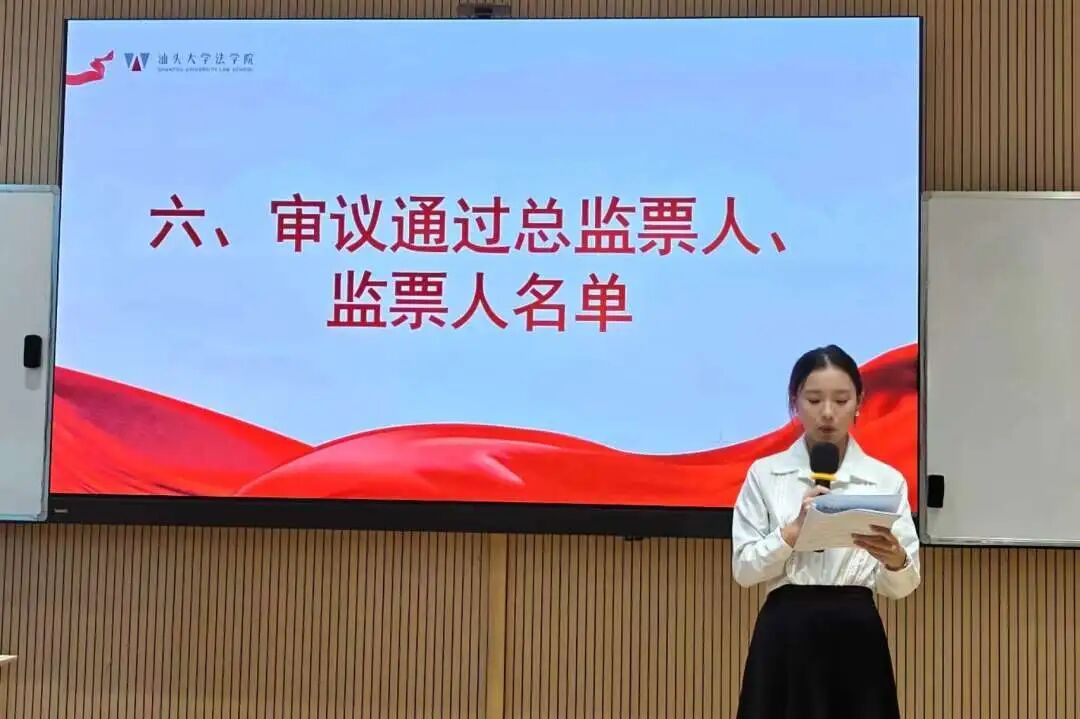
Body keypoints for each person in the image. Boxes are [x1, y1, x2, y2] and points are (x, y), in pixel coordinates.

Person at [731, 344, 920, 719]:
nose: (828, 413)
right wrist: (792, 533)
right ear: (795, 402)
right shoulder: (766, 474)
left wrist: (896, 559)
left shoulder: (884, 480)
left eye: (841, 400)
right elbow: (744, 571)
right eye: (814, 400)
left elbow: (902, 587)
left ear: (859, 402)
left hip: (856, 633)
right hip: (785, 634)